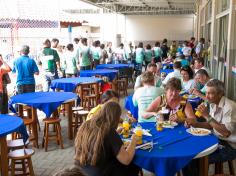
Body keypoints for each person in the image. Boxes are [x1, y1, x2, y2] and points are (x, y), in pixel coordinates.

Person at [74, 101, 140, 176]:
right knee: (135, 164)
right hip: (101, 173)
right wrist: (133, 141)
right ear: (115, 118)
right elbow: (126, 160)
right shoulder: (109, 131)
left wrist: (116, 133)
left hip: (81, 169)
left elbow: (99, 139)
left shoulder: (86, 124)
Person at [185, 79, 236, 174]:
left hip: (230, 146)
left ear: (220, 94)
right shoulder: (213, 103)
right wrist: (195, 123)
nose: (206, 96)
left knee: (196, 158)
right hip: (216, 138)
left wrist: (206, 116)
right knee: (189, 151)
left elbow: (226, 133)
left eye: (210, 93)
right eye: (206, 93)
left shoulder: (230, 107)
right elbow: (211, 125)